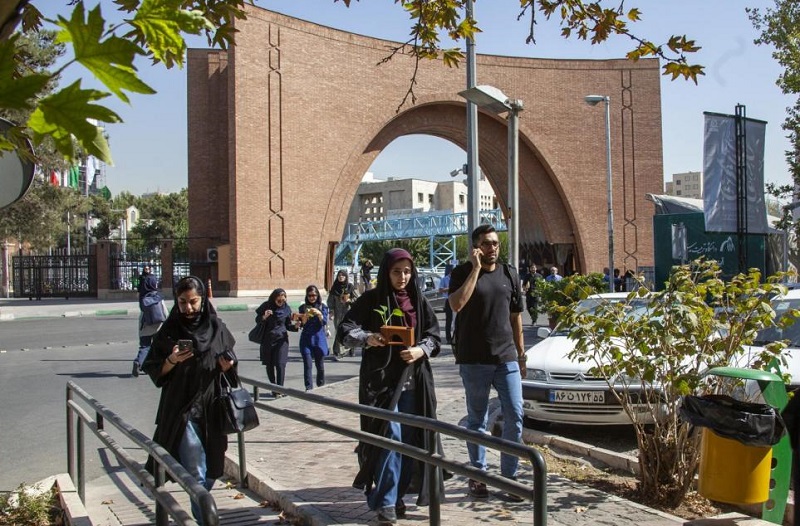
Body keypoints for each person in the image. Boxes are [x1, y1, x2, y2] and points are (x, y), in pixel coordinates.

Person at [339, 248, 442, 525]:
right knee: (388, 438)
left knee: (408, 442)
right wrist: (369, 338)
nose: (402, 277)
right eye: (397, 272)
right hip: (380, 382)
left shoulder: (418, 301)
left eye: (407, 272)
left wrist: (420, 350)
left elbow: (434, 337)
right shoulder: (372, 300)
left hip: (413, 382)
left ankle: (396, 496)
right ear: (386, 272)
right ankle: (385, 502)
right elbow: (346, 331)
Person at [141, 276, 237, 525]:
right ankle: (207, 520)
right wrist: (171, 360)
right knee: (195, 470)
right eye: (182, 302)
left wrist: (228, 366)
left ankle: (202, 509)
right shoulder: (170, 331)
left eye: (193, 301)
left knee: (212, 471)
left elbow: (231, 365)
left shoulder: (216, 327)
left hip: (212, 408)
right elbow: (154, 369)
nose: (188, 308)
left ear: (202, 300)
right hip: (181, 410)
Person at [448, 224, 526, 502]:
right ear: (476, 248)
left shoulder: (510, 274)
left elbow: (516, 317)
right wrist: (475, 269)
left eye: (495, 243)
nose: (492, 248)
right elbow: (457, 304)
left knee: (515, 415)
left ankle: (509, 478)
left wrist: (521, 354)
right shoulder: (461, 273)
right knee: (477, 420)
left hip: (506, 358)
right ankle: (478, 475)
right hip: (474, 359)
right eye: (486, 244)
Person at [255, 288, 299, 397]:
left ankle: (280, 389)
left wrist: (296, 326)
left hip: (282, 340)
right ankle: (273, 388)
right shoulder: (266, 306)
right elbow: (257, 320)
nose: (281, 302)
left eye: (283, 300)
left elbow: (288, 325)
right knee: (269, 365)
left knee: (280, 364)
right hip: (268, 340)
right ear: (274, 298)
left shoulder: (286, 309)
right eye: (279, 300)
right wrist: (264, 316)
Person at [132, 266, 167, 377]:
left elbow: (142, 310)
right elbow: (165, 313)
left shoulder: (142, 297)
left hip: (145, 324)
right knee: (158, 346)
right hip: (158, 325)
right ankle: (155, 367)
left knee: (144, 346)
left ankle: (138, 362)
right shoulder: (158, 296)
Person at [298, 285, 330, 390]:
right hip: (306, 339)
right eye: (310, 295)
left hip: (318, 339)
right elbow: (301, 324)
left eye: (314, 295)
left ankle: (320, 386)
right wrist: (305, 317)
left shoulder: (322, 307)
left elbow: (324, 322)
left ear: (317, 295)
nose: (312, 297)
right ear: (307, 296)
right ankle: (309, 388)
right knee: (307, 365)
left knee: (320, 366)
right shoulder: (303, 308)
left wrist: (319, 314)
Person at [327, 270, 359, 358]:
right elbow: (330, 301)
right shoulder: (334, 288)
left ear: (346, 277)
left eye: (343, 276)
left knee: (349, 331)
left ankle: (351, 348)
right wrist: (331, 311)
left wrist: (349, 300)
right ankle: (338, 351)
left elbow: (358, 299)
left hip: (348, 313)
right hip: (338, 314)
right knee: (339, 331)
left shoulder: (350, 287)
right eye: (339, 275)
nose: (341, 277)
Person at [438, 265, 454, 344]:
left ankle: (456, 337)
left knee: (457, 320)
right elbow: (440, 290)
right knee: (449, 320)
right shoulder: (444, 279)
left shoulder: (457, 278)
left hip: (457, 299)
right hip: (448, 300)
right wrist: (450, 288)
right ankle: (448, 338)